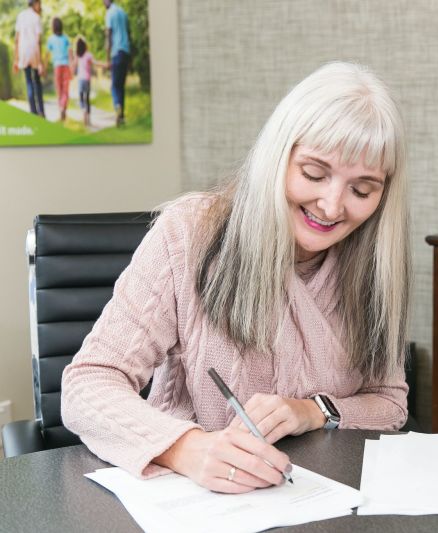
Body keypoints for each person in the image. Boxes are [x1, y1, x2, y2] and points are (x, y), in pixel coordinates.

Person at [62, 62, 411, 494]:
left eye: (362, 190)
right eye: (314, 174)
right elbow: (87, 383)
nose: (332, 205)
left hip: (316, 499)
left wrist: (314, 410)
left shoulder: (373, 264)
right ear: (277, 157)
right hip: (193, 498)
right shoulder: (189, 234)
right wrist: (187, 448)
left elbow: (390, 402)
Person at [12, 0, 45, 117]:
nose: (40, 7)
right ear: (35, 3)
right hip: (33, 50)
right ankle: (41, 111)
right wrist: (41, 62)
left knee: (29, 82)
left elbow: (16, 39)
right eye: (39, 4)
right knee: (37, 81)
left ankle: (33, 112)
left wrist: (15, 60)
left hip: (23, 51)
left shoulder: (20, 16)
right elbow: (39, 40)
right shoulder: (36, 17)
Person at [103, 0, 131, 126]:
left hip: (116, 52)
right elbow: (128, 34)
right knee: (121, 86)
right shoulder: (123, 12)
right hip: (126, 52)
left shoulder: (110, 13)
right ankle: (121, 117)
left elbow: (109, 37)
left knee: (114, 86)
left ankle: (117, 106)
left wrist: (107, 59)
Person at [74, 36, 107, 126]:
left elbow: (74, 65)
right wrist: (104, 65)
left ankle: (83, 111)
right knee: (87, 99)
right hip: (87, 80)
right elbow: (95, 63)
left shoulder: (77, 56)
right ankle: (88, 119)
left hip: (80, 80)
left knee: (81, 98)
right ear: (85, 46)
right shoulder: (88, 55)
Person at [46, 17, 72, 122]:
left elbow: (47, 54)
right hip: (65, 66)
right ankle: (63, 108)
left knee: (59, 90)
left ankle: (61, 108)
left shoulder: (51, 39)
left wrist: (44, 66)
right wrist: (72, 66)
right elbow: (70, 54)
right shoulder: (66, 38)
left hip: (57, 66)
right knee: (65, 90)